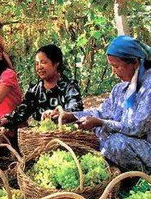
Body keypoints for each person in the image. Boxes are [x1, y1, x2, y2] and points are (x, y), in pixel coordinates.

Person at [55, 36, 150, 172]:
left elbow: (137, 128)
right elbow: (102, 112)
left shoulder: (148, 88)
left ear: (134, 63)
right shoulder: (120, 89)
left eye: (116, 66)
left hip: (147, 147)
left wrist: (101, 123)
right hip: (132, 144)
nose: (113, 72)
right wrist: (72, 116)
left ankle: (139, 177)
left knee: (115, 142)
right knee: (97, 131)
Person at [1, 44, 84, 128]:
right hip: (41, 137)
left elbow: (76, 111)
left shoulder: (69, 87)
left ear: (56, 64)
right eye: (37, 64)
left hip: (65, 136)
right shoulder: (35, 90)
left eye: (43, 62)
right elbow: (22, 112)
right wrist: (5, 120)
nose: (39, 67)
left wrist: (59, 114)